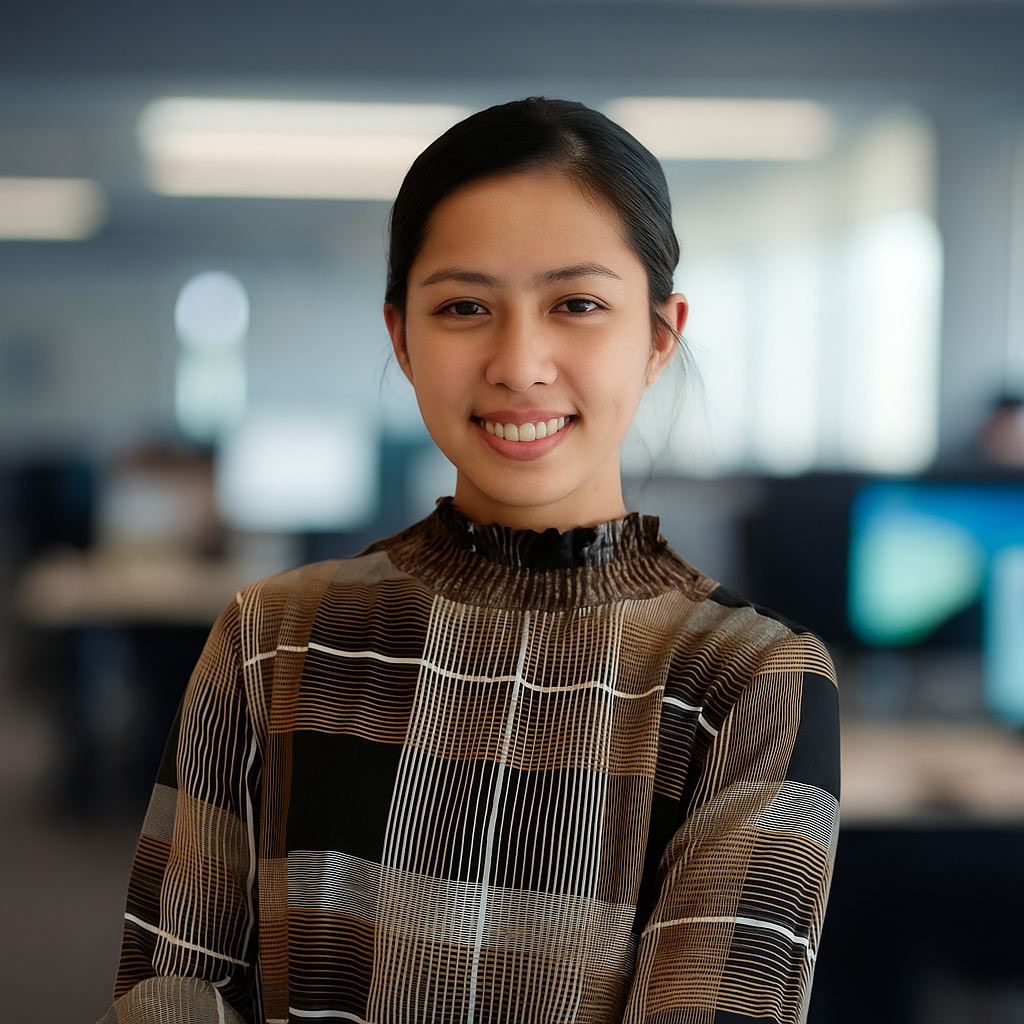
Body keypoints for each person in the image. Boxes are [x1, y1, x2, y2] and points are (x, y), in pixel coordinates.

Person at [101, 97, 840, 1024]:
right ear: (401, 336)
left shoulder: (749, 679)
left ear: (659, 335)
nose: (520, 362)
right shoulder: (272, 638)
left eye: (577, 304)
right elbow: (170, 995)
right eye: (463, 306)